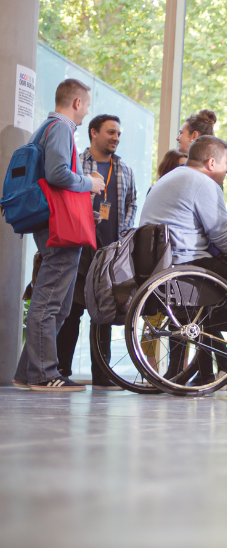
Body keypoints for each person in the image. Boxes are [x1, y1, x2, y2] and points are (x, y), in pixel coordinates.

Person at [138, 136, 227, 391]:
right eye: (226, 163)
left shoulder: (170, 178)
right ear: (211, 162)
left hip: (164, 269)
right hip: (191, 269)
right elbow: (225, 242)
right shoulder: (204, 183)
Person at [13, 79, 106, 391]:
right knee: (50, 301)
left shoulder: (45, 128)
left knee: (60, 302)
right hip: (57, 227)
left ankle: (27, 372)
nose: (87, 111)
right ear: (77, 103)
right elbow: (57, 175)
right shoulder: (61, 127)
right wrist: (90, 183)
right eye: (87, 105)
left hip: (51, 221)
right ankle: (44, 374)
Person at [56, 113, 138, 389]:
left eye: (118, 134)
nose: (115, 138)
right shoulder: (77, 164)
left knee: (104, 313)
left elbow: (132, 203)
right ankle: (61, 371)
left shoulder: (124, 169)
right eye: (110, 132)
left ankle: (102, 377)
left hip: (110, 253)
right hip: (80, 248)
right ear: (93, 132)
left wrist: (125, 233)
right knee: (72, 311)